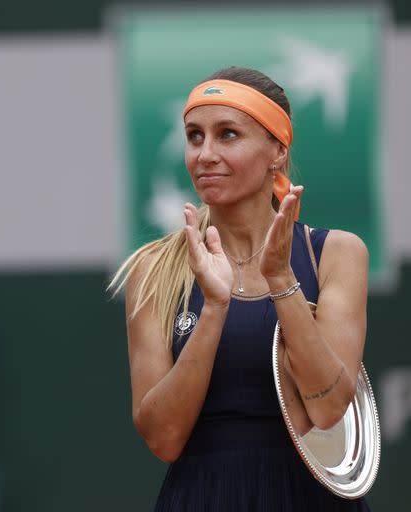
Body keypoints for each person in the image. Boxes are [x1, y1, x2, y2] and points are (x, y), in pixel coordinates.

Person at [111, 67, 370, 510]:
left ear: (277, 152)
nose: (204, 154)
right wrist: (214, 307)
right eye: (194, 136)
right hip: (203, 496)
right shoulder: (152, 270)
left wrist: (281, 280)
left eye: (227, 134)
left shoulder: (336, 254)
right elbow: (164, 438)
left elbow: (328, 410)